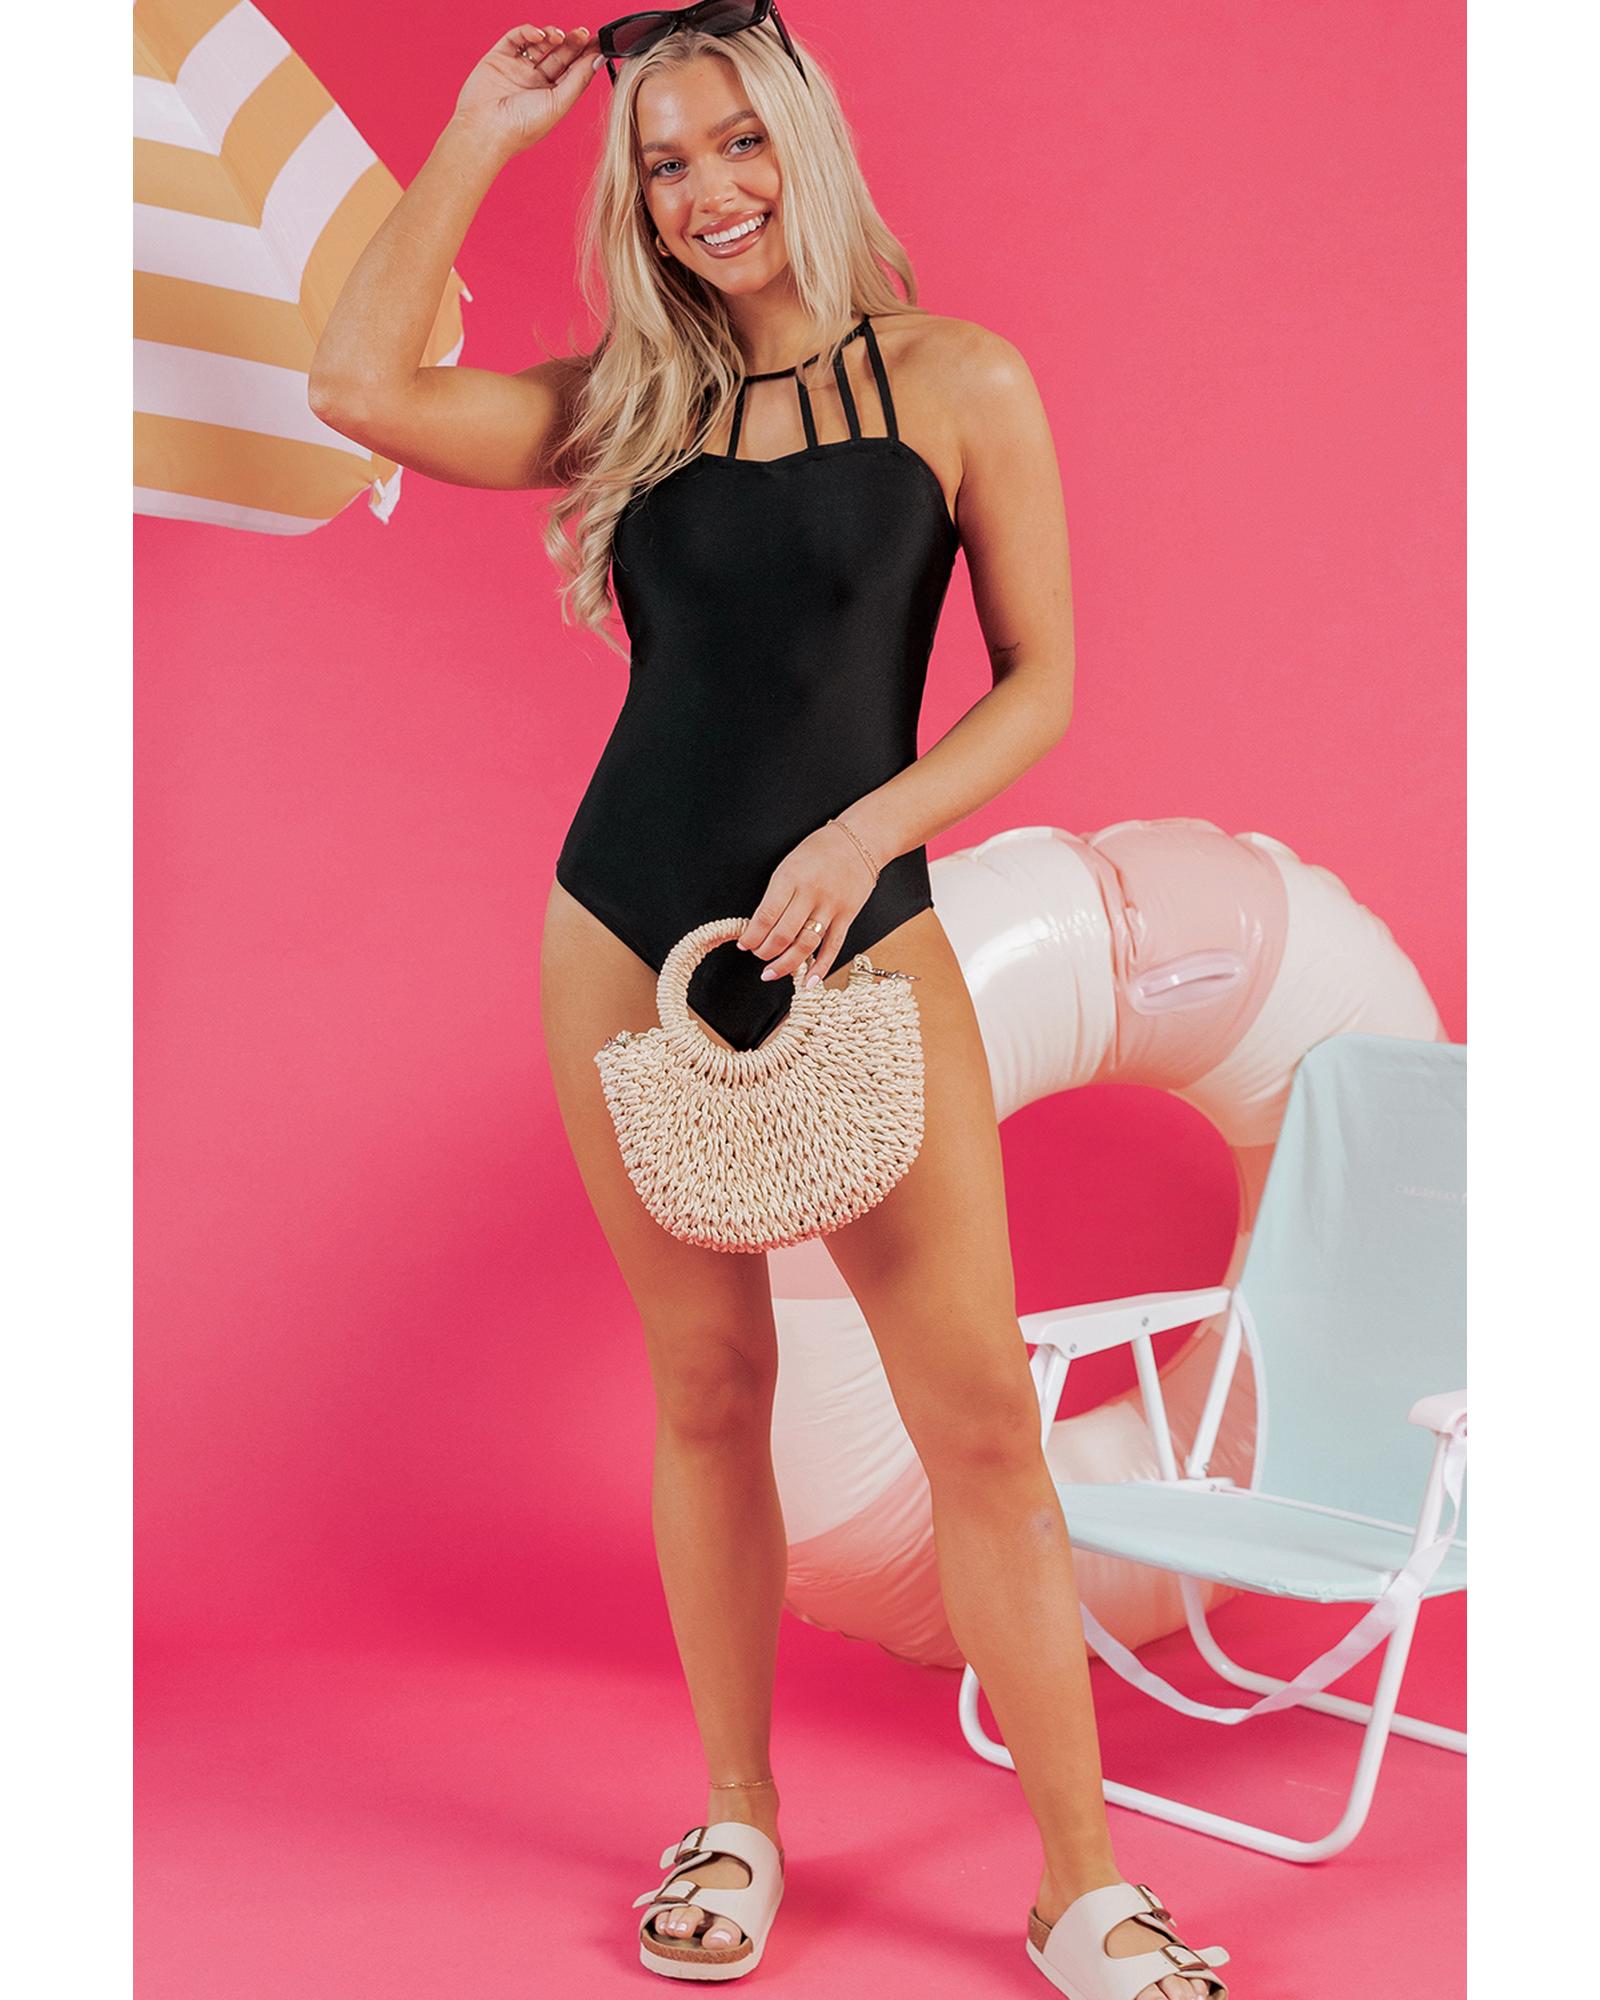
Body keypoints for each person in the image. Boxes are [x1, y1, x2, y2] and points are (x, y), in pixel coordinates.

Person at [308, 11, 1228, 1997]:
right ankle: (735, 1814)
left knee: (976, 1413)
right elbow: (358, 386)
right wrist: (475, 131)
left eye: (736, 142)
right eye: (663, 161)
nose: (707, 190)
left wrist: (866, 833)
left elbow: (1043, 678)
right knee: (708, 1386)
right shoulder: (628, 400)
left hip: (862, 932)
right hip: (622, 932)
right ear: (633, 194)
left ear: (803, 142)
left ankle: (1080, 1882)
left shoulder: (959, 379)